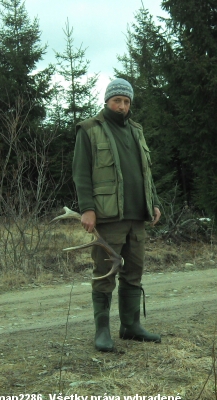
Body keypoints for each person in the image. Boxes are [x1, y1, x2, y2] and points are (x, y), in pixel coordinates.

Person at [72, 78, 162, 352]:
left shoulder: (136, 130)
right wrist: (87, 208)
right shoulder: (89, 130)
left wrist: (154, 202)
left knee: (133, 272)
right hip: (108, 216)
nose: (122, 106)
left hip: (137, 215)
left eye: (126, 102)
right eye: (117, 101)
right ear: (107, 101)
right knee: (105, 273)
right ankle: (102, 332)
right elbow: (81, 173)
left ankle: (130, 327)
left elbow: (146, 172)